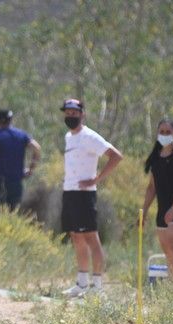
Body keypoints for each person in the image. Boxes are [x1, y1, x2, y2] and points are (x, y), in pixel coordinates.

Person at [59, 98, 123, 298]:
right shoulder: (69, 137)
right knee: (76, 237)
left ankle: (97, 285)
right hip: (69, 192)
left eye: (74, 112)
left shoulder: (90, 137)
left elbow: (115, 156)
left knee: (91, 237)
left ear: (82, 114)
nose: (71, 116)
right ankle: (82, 283)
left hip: (85, 195)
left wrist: (97, 178)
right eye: (67, 113)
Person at [141, 118, 173, 280]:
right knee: (167, 250)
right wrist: (144, 211)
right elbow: (152, 187)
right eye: (161, 132)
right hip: (162, 209)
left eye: (168, 132)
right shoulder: (156, 157)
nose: (164, 135)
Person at [0, 109, 41, 212]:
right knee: (15, 212)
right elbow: (36, 148)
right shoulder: (21, 135)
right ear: (11, 120)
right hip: (16, 181)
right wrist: (31, 168)